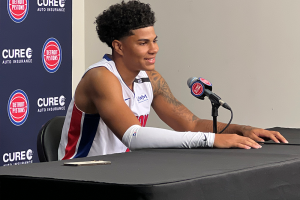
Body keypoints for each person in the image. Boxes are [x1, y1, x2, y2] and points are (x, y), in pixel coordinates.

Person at [58, 0, 287, 160]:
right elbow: (133, 136)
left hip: (118, 173)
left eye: (154, 40)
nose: (154, 49)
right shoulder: (101, 77)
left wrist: (241, 130)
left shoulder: (152, 79)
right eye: (143, 43)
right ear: (118, 46)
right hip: (78, 174)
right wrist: (210, 140)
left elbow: (190, 124)